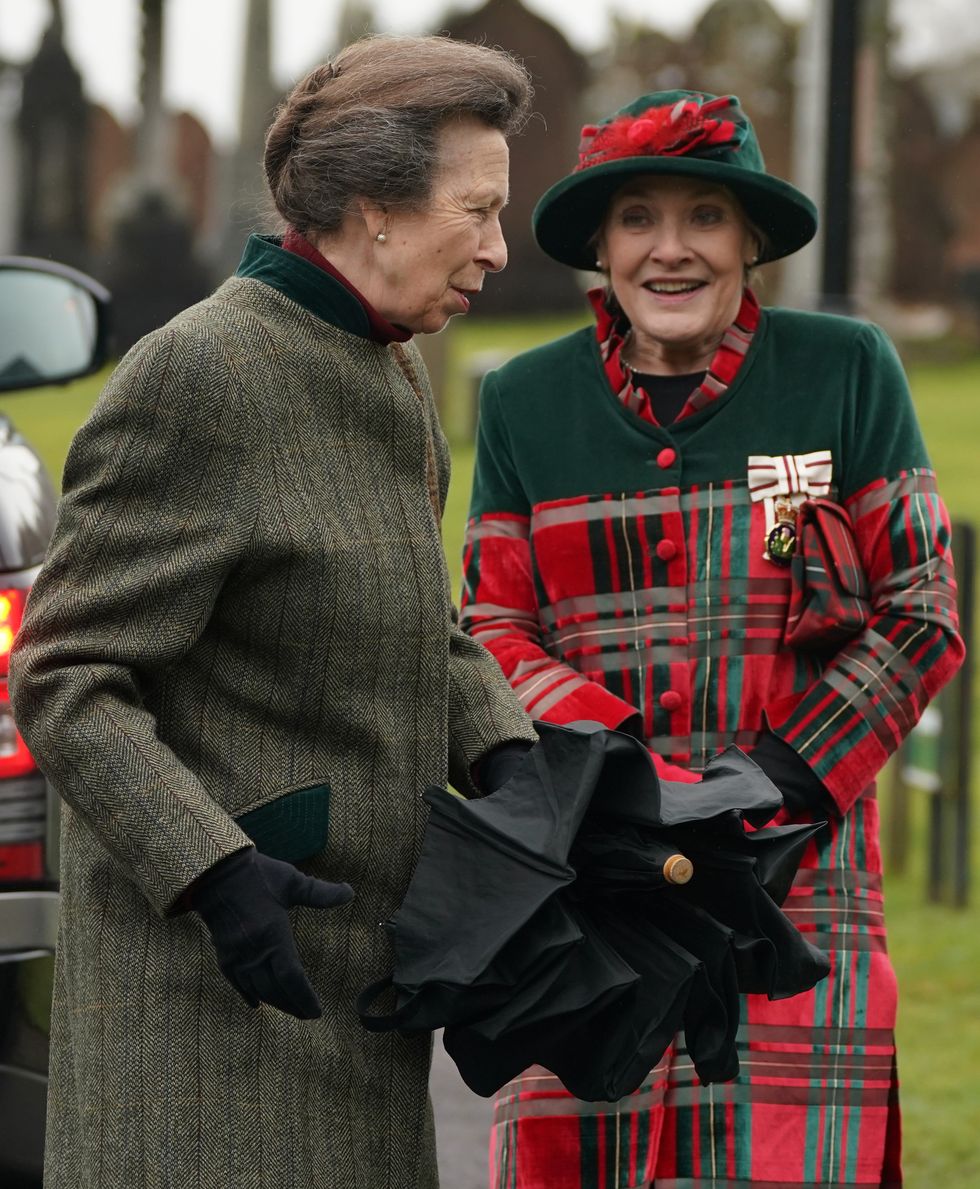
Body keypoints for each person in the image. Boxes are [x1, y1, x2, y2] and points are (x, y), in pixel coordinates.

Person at [9, 35, 538, 1189]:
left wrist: (511, 758)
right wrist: (210, 870)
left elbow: (416, 613)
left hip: (356, 989)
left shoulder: (388, 370)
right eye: (478, 210)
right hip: (205, 1005)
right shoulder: (199, 374)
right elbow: (65, 672)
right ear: (374, 208)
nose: (499, 248)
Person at [460, 90, 964, 1187]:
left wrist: (775, 773)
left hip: (798, 886)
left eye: (704, 216)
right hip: (593, 887)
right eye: (636, 217)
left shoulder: (843, 373)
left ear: (749, 241)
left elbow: (920, 607)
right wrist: (629, 766)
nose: (670, 248)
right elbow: (490, 626)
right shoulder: (522, 403)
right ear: (600, 245)